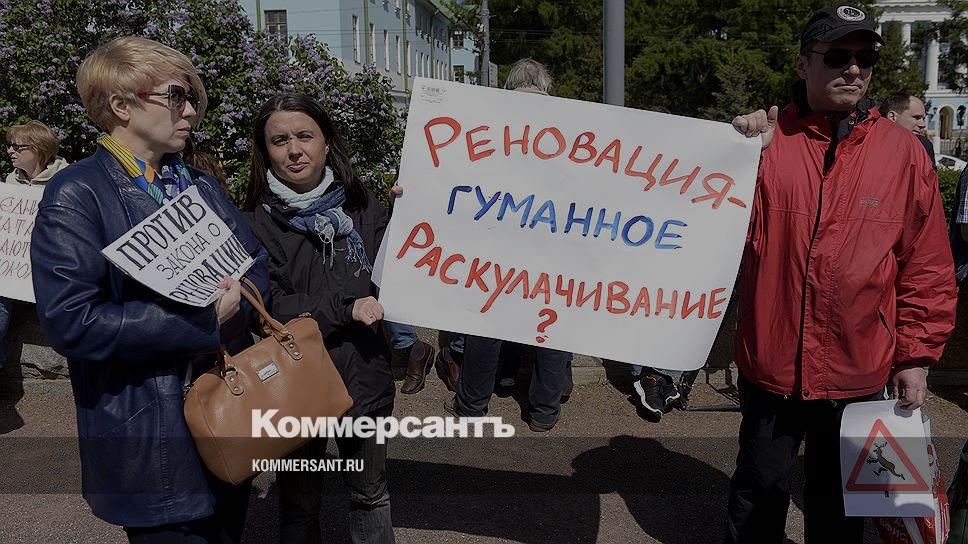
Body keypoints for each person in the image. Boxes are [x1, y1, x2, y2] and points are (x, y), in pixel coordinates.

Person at [728, 5, 955, 543]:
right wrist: (734, 154)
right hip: (772, 364)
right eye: (836, 56)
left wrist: (915, 356)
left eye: (864, 57)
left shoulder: (904, 153)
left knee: (840, 506)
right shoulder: (761, 145)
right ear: (803, 64)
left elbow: (926, 264)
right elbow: (709, 238)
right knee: (759, 492)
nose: (853, 69)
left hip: (858, 367)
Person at [30, 36, 269, 543]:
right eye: (177, 97)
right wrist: (203, 321)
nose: (191, 112)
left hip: (226, 414)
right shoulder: (78, 192)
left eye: (192, 99)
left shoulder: (199, 185)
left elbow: (257, 266)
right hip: (149, 430)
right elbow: (73, 322)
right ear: (121, 106)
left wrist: (239, 300)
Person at [243, 93, 395, 544]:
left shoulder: (364, 206)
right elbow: (267, 307)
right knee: (299, 506)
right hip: (294, 384)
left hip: (363, 376)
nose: (294, 150)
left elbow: (400, 268)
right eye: (279, 140)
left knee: (370, 495)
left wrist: (409, 214)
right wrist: (345, 308)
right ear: (266, 151)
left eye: (305, 136)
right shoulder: (253, 222)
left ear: (326, 142)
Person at [444, 58, 573, 432]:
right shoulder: (570, 124)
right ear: (546, 86)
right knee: (553, 324)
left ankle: (472, 405)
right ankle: (544, 412)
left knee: (488, 322)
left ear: (509, 86)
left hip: (497, 242)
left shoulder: (492, 119)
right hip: (554, 243)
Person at [3, 120, 69, 366]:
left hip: (51, 264)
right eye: (10, 146)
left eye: (17, 147)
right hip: (15, 268)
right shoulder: (11, 181)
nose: (10, 151)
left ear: (39, 149)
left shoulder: (67, 180)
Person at [880, 93, 936, 165]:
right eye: (916, 117)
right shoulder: (871, 143)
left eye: (923, 119)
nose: (923, 125)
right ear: (892, 117)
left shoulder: (924, 145)